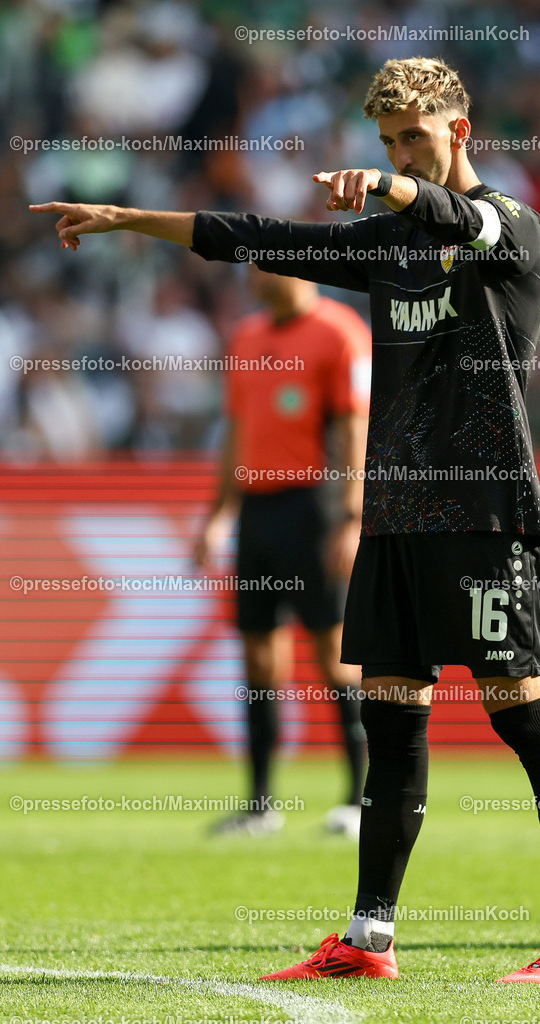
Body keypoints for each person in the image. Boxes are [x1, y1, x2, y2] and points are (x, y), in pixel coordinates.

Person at [30, 54, 540, 985]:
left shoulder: (509, 228)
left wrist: (388, 184)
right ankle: (369, 938)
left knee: (519, 712)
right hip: (393, 519)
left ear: (458, 131)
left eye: (413, 140)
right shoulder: (386, 247)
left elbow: (455, 214)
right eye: (386, 143)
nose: (400, 156)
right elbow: (261, 234)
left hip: (482, 511)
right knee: (391, 724)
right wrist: (131, 219)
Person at [193, 265, 370, 838]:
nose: (249, 275)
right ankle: (261, 805)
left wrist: (350, 515)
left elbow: (352, 429)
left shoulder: (339, 333)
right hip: (258, 512)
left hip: (313, 508)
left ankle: (359, 798)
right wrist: (219, 514)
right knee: (259, 661)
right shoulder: (246, 337)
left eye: (259, 264)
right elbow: (237, 431)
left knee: (335, 653)